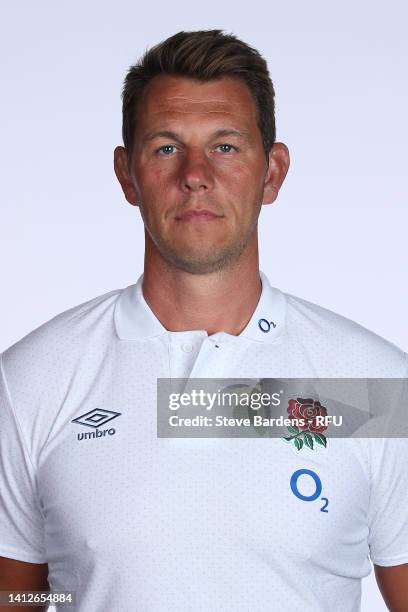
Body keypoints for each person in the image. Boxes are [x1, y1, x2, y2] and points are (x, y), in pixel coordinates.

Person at [0, 29, 407, 612]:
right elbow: (13, 597)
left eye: (226, 146)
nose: (195, 173)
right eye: (166, 147)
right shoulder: (31, 380)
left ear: (272, 172)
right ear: (126, 174)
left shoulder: (375, 386)